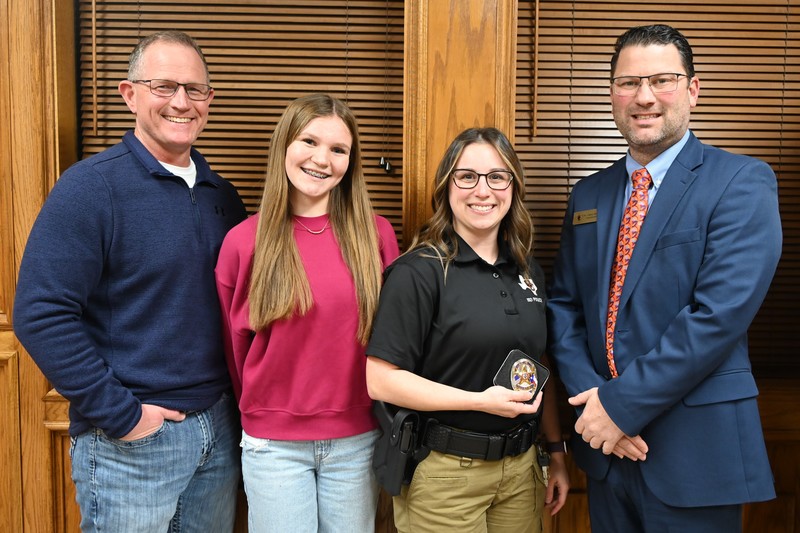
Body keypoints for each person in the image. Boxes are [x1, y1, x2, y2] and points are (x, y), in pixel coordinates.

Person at [547, 24, 781, 532]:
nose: (644, 96)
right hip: (603, 450)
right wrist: (595, 405)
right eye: (628, 82)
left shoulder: (741, 182)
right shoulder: (588, 194)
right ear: (612, 93)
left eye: (662, 80)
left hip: (695, 452)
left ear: (693, 90)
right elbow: (563, 306)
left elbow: (717, 317)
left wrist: (619, 406)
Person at [13, 31, 246, 532]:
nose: (181, 102)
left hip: (219, 430)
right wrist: (123, 416)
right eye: (163, 86)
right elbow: (40, 311)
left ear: (209, 100)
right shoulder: (91, 188)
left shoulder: (221, 197)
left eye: (194, 89)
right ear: (129, 94)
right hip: (132, 443)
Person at [366, 127, 569, 533]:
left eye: (497, 176)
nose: (483, 190)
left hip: (521, 472)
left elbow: (537, 366)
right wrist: (479, 401)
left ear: (512, 187)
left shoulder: (527, 271)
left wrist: (556, 452)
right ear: (447, 186)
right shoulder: (419, 271)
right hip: (446, 476)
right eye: (467, 176)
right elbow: (381, 381)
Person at [215, 93, 399, 533]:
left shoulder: (376, 235)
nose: (322, 159)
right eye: (309, 142)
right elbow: (234, 351)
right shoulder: (243, 242)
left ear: (350, 162)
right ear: (284, 146)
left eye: (338, 149)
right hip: (273, 446)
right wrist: (267, 412)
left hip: (357, 438)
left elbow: (393, 340)